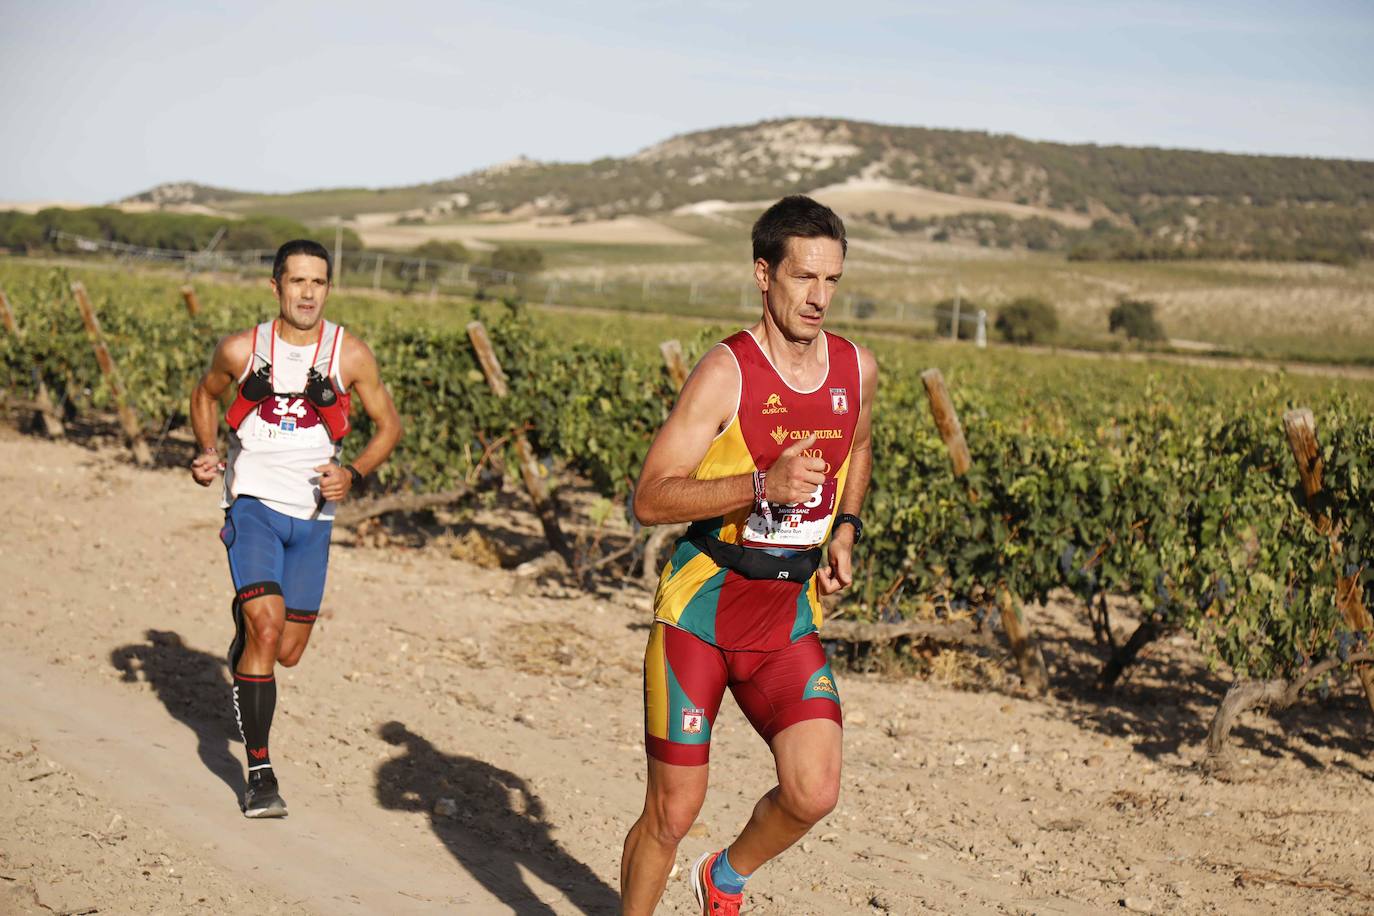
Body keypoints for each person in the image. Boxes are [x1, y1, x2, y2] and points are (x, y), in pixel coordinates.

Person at [620, 196, 877, 914]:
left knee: (813, 790)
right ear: (764, 275)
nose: (819, 298)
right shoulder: (726, 372)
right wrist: (763, 482)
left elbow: (857, 442)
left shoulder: (856, 369)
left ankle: (722, 878)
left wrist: (846, 528)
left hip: (785, 619)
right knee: (672, 811)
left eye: (832, 281)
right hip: (700, 615)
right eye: (804, 278)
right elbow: (650, 497)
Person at [189, 239, 401, 817]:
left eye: (319, 283)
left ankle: (248, 626)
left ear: (327, 288)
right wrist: (207, 451)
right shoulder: (241, 349)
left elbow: (388, 426)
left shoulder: (349, 355)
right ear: (276, 286)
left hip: (312, 518)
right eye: (297, 282)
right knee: (266, 624)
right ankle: (259, 773)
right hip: (253, 504)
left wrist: (353, 472)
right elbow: (205, 395)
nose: (308, 293)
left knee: (287, 650)